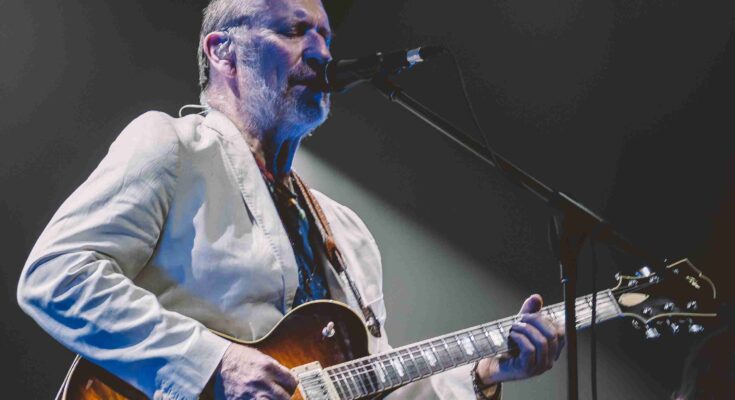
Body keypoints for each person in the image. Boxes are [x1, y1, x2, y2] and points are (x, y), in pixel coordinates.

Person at [17, 0, 565, 398]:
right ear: (223, 51)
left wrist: (484, 373)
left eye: (325, 35)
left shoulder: (347, 232)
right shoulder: (173, 146)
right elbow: (56, 275)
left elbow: (374, 384)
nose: (322, 52)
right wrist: (214, 362)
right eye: (295, 29)